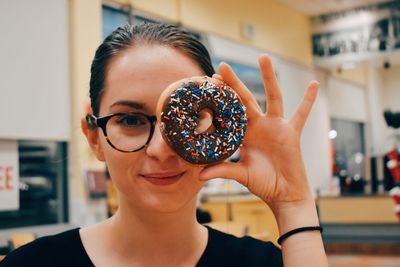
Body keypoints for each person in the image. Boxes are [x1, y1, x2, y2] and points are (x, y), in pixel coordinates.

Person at [1, 23, 328, 267]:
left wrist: (293, 204)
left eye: (187, 117)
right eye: (130, 120)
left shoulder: (264, 264)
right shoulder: (30, 264)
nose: (161, 149)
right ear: (94, 137)